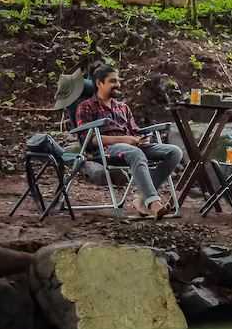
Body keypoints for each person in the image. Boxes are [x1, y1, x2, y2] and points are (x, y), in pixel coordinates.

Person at [75, 65, 182, 219]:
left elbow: (135, 130)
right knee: (135, 152)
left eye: (118, 81)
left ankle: (141, 199)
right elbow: (89, 140)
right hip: (106, 150)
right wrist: (126, 139)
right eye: (113, 81)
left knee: (174, 152)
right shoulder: (85, 107)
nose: (118, 85)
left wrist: (142, 139)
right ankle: (153, 203)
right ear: (99, 83)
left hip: (132, 147)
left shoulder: (122, 107)